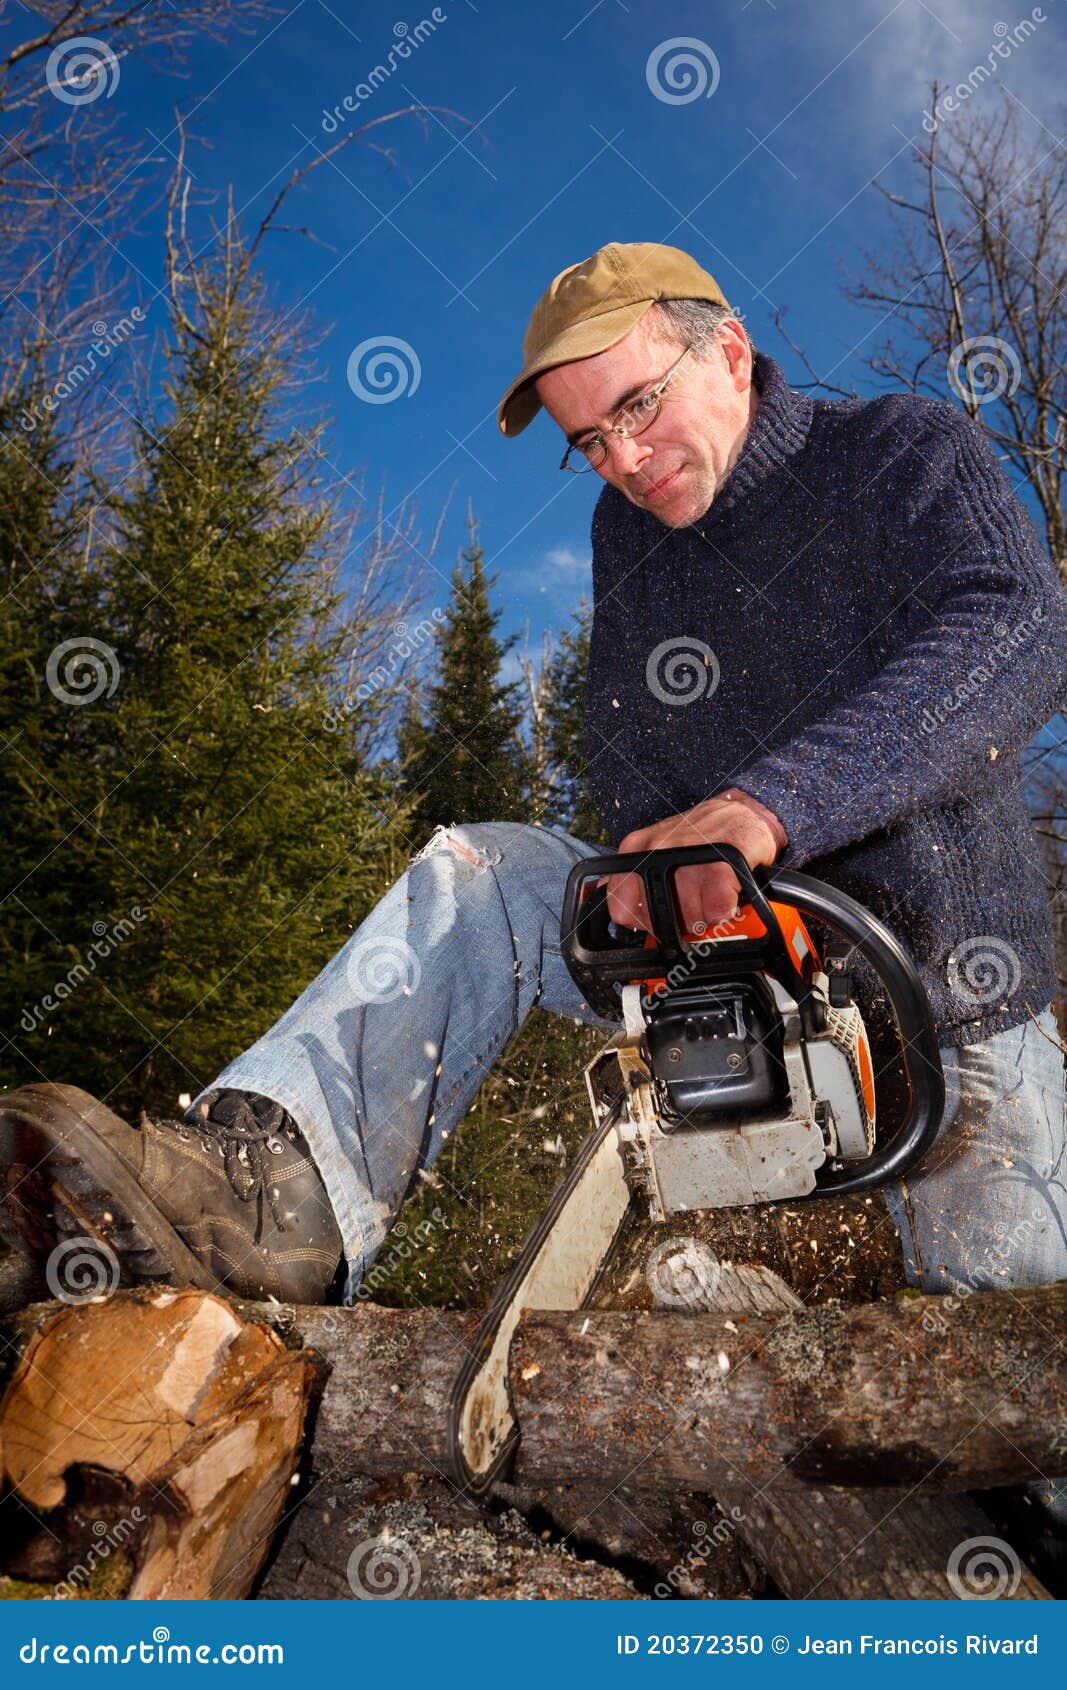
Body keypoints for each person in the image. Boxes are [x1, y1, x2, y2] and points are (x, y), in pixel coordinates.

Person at [4, 245, 1066, 1392]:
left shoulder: (894, 450)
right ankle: (278, 1187)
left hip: (943, 1003)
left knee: (1012, 1375)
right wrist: (638, 875)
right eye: (590, 443)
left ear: (732, 351)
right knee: (490, 876)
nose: (623, 461)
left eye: (637, 407)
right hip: (738, 992)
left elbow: (1011, 630)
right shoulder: (632, 542)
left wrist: (768, 805)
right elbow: (630, 757)